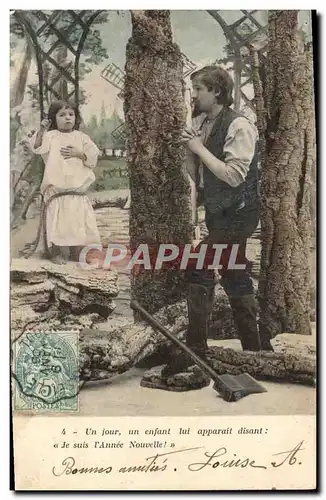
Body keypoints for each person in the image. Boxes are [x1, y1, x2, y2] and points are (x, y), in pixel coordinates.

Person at [164, 66, 273, 378]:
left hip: (239, 213)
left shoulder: (240, 125)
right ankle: (255, 352)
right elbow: (197, 174)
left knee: (198, 264)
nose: (193, 94)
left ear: (218, 93)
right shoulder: (200, 122)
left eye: (198, 89)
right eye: (193, 88)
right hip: (217, 214)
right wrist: (190, 152)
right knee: (234, 272)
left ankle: (195, 349)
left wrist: (197, 147)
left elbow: (234, 176)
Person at [29, 100, 101, 264]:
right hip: (57, 191)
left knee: (78, 223)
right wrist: (41, 130)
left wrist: (79, 154)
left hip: (77, 191)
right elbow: (37, 147)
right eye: (62, 115)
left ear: (76, 117)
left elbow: (92, 157)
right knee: (58, 223)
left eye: (71, 114)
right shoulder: (51, 136)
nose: (67, 118)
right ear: (54, 118)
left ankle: (79, 252)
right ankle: (57, 252)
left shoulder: (82, 137)